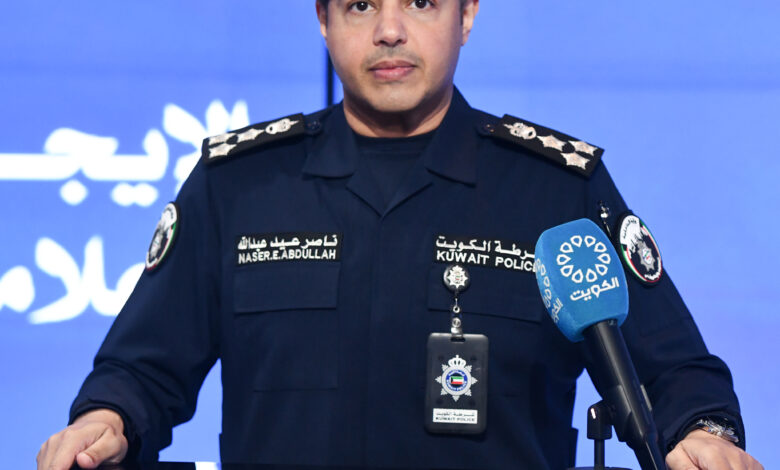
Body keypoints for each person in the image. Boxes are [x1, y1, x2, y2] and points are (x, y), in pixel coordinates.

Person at [38, 1, 764, 469]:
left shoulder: (558, 189)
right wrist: (109, 419)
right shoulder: (238, 185)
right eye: (360, 5)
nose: (389, 30)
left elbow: (676, 373)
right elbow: (142, 371)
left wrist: (704, 435)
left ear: (467, 14)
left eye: (420, 1)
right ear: (322, 20)